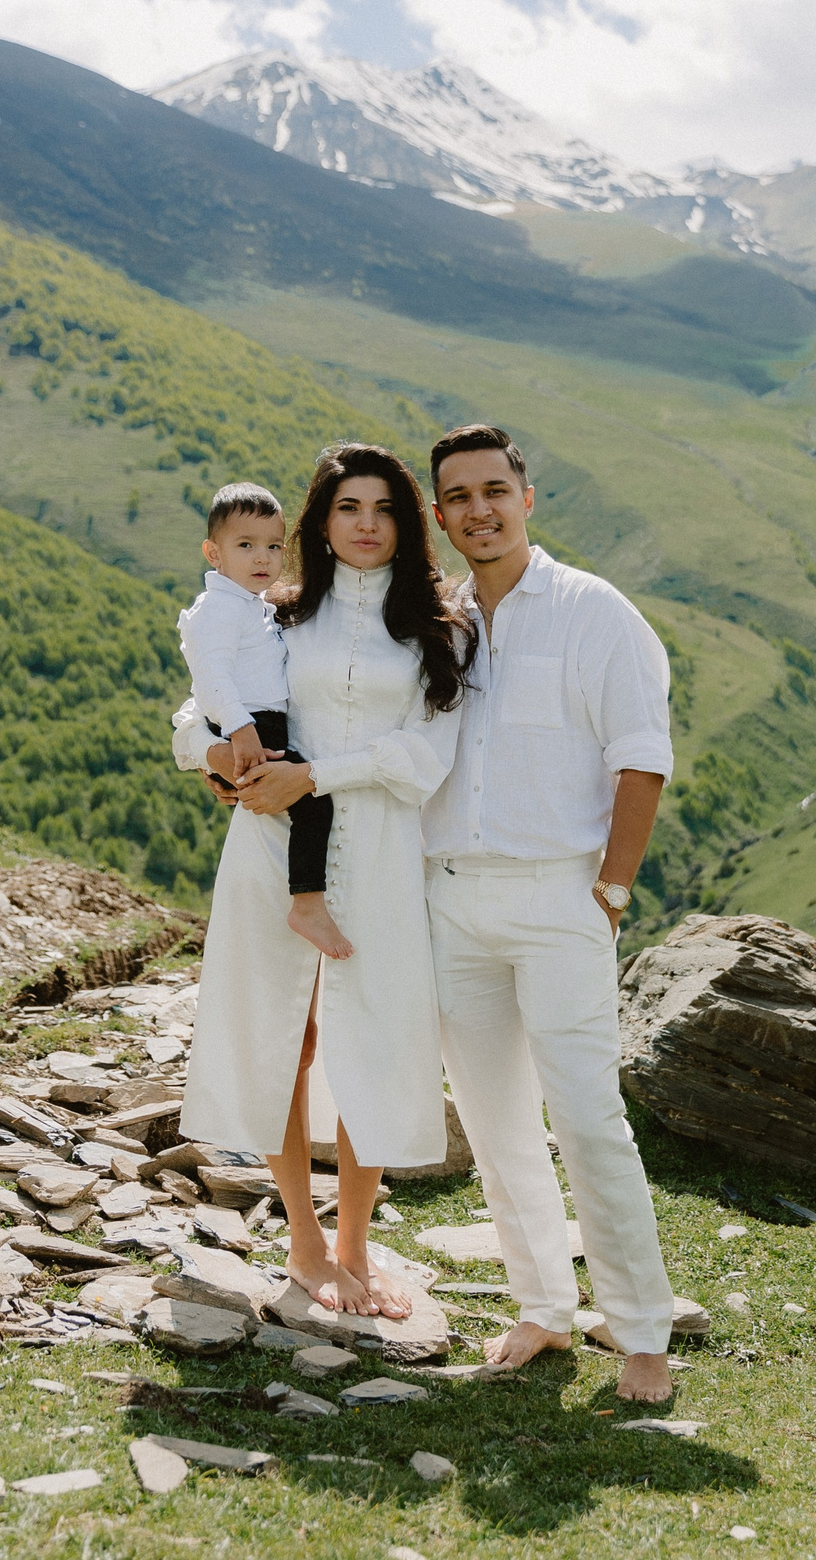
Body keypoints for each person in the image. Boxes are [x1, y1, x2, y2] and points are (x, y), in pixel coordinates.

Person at [172, 443, 470, 1319]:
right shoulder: (279, 612)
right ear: (320, 521)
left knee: (367, 1039)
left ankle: (356, 1246)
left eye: (383, 508)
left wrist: (318, 776)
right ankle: (305, 1243)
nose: (366, 523)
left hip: (378, 848)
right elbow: (199, 706)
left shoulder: (441, 625)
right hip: (269, 841)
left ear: (408, 522)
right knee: (284, 1038)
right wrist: (211, 755)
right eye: (348, 507)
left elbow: (428, 754)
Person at [421, 423, 680, 1404]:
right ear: (440, 515)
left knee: (587, 1120)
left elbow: (640, 755)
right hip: (451, 902)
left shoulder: (592, 611)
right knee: (494, 1126)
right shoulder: (438, 620)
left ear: (527, 500)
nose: (479, 510)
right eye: (459, 496)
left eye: (495, 490)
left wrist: (611, 890)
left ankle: (643, 1334)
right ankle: (541, 1311)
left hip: (560, 896)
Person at [175, 482, 348, 960]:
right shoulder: (217, 610)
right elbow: (209, 676)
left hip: (259, 725)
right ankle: (307, 905)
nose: (262, 558)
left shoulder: (253, 607)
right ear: (214, 552)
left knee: (292, 817)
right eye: (245, 545)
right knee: (314, 803)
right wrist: (238, 729)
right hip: (254, 728)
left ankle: (294, 919)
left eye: (273, 546)